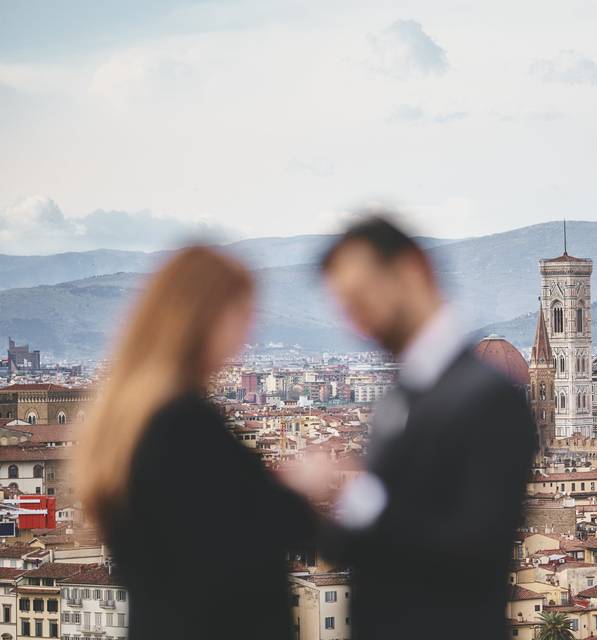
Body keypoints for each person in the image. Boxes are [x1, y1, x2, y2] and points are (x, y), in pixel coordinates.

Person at [287, 216, 538, 640]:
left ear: (413, 269)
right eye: (346, 307)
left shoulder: (489, 398)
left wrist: (354, 501)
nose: (357, 319)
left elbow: (471, 548)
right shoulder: (403, 396)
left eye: (363, 296)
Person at [77, 246, 318, 640]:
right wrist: (297, 493)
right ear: (201, 317)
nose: (248, 332)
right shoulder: (183, 424)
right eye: (241, 315)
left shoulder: (129, 421)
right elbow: (232, 546)